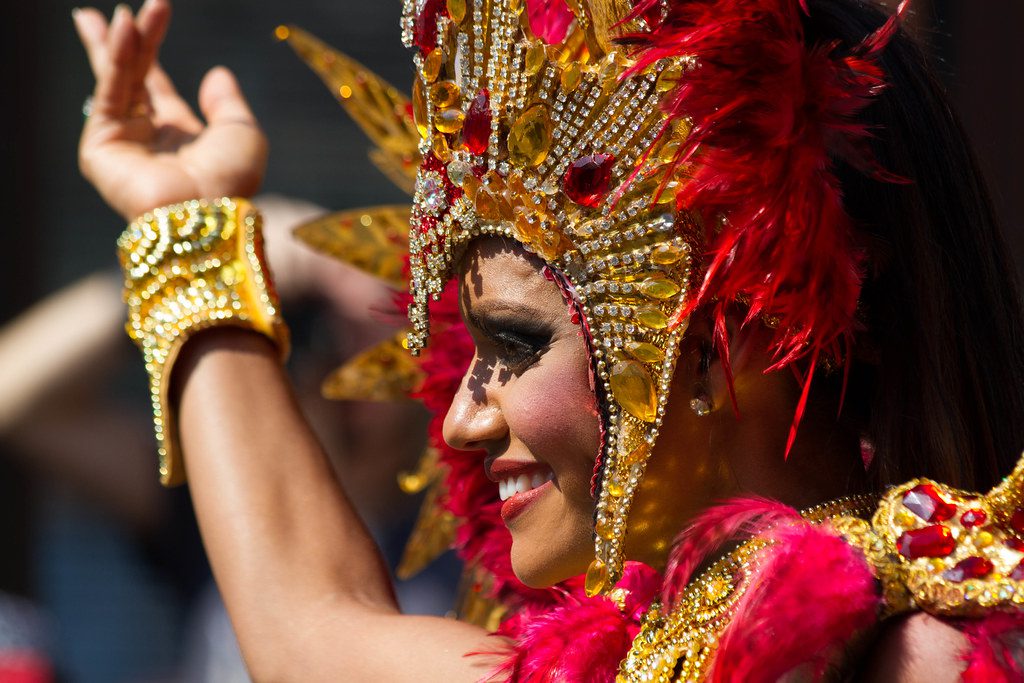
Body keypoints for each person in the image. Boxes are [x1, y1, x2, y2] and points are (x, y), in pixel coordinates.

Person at [72, 0, 1024, 680]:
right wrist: (185, 225)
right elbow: (310, 629)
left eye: (516, 344)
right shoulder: (629, 656)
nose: (457, 419)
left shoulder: (924, 652)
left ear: (724, 344)